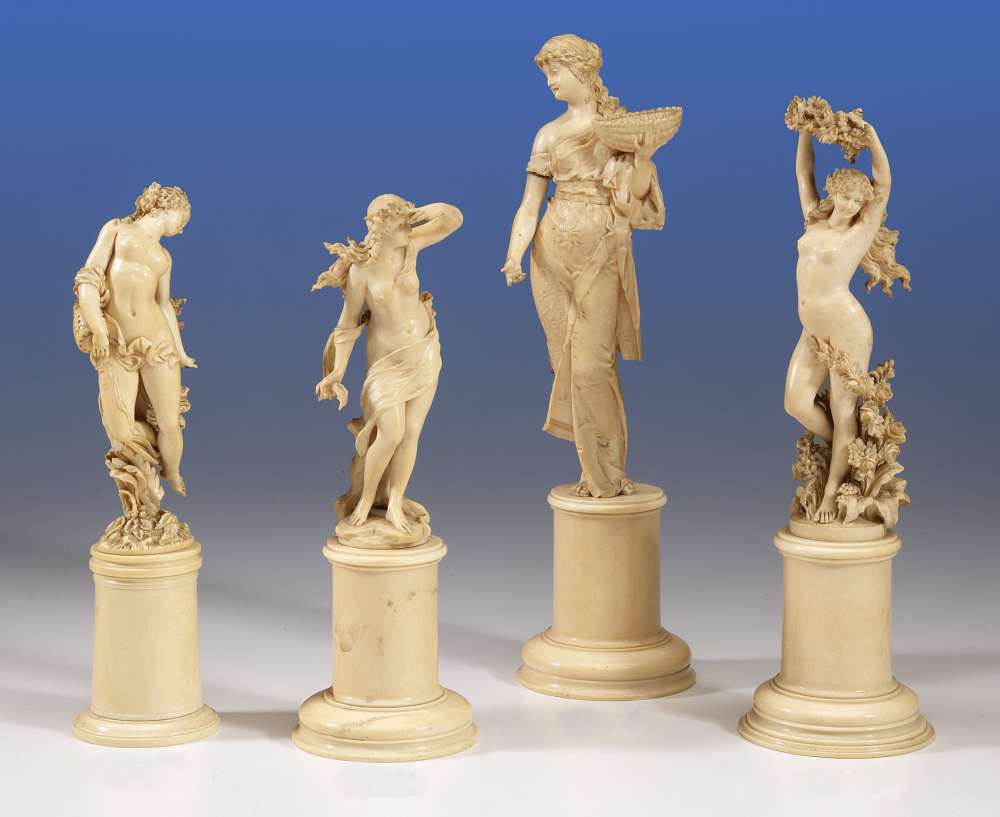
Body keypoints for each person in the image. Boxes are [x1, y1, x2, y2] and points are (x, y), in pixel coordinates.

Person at [501, 34, 665, 498]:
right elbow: (529, 205)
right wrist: (514, 255)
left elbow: (635, 195)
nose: (550, 82)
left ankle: (609, 469)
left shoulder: (619, 129)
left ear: (583, 71)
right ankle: (589, 470)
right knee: (568, 363)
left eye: (556, 72)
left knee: (594, 365)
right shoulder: (548, 135)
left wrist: (643, 158)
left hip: (601, 252)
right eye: (547, 74)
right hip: (551, 256)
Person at [313, 194, 462, 533]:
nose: (409, 229)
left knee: (411, 433)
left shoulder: (411, 246)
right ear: (382, 229)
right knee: (390, 432)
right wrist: (337, 371)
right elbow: (347, 324)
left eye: (409, 224)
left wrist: (415, 213)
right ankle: (366, 500)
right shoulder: (361, 271)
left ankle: (395, 502)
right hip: (386, 362)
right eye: (401, 225)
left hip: (424, 350)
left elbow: (453, 218)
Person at [784, 122, 909, 522]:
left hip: (846, 328)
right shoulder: (814, 220)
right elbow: (803, 173)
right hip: (812, 330)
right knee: (795, 404)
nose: (853, 205)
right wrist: (805, 130)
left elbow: (884, 184)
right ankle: (851, 446)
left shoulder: (860, 233)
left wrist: (872, 138)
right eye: (847, 196)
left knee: (843, 411)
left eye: (859, 200)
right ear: (833, 192)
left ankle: (830, 494)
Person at [73, 182, 196, 531]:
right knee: (120, 428)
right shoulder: (117, 230)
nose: (182, 228)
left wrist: (181, 351)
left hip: (157, 343)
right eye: (182, 219)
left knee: (169, 422)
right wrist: (97, 327)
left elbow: (163, 305)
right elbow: (88, 279)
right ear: (167, 208)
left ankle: (171, 471)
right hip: (116, 341)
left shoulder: (165, 258)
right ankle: (143, 467)